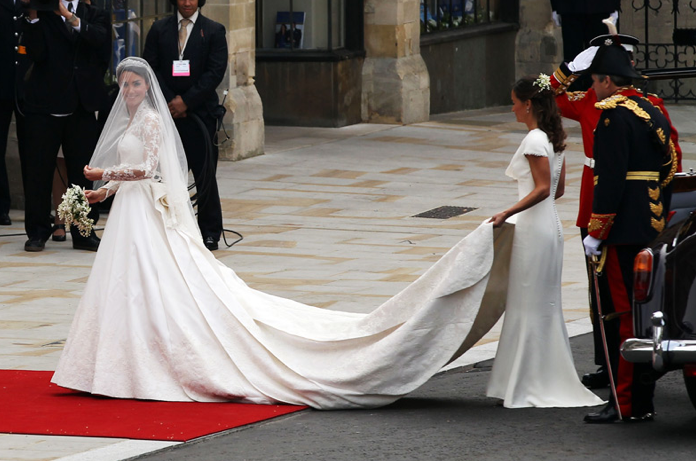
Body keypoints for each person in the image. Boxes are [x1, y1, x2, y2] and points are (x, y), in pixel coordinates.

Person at [51, 58, 603, 411]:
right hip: (131, 217)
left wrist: (104, 175)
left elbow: (151, 170)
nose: (126, 91)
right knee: (125, 287)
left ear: (144, 89)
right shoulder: (551, 140)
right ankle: (112, 358)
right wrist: (101, 195)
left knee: (153, 285)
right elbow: (553, 191)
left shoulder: (150, 123)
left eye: (132, 83)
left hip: (149, 218)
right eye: (121, 83)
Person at [550, 33, 683, 391]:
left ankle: (628, 373)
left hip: (622, 206)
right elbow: (548, 97)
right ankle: (607, 363)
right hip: (593, 201)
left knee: (626, 296)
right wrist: (568, 69)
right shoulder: (590, 99)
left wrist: (657, 202)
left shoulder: (649, 103)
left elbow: (671, 155)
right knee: (600, 297)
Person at [485, 75, 604, 408]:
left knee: (527, 303)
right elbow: (558, 190)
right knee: (541, 304)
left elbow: (540, 189)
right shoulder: (554, 138)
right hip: (548, 227)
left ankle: (525, 381)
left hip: (533, 230)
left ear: (528, 105)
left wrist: (506, 212)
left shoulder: (536, 139)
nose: (511, 109)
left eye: (514, 102)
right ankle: (533, 377)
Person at [582, 41, 676, 423]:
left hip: (622, 230)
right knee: (647, 313)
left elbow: (610, 181)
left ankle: (626, 402)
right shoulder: (650, 109)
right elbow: (669, 167)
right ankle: (641, 399)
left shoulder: (611, 116)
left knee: (624, 316)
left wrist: (597, 230)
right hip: (650, 223)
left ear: (606, 81)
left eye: (595, 82)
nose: (594, 89)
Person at [20, 0, 110, 252]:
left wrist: (68, 15)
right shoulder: (41, 13)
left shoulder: (96, 14)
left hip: (81, 105)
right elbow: (35, 54)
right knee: (38, 171)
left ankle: (82, 232)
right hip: (43, 105)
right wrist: (35, 15)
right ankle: (37, 232)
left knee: (81, 173)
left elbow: (101, 46)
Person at [143, 0, 226, 251]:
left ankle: (210, 231)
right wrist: (169, 101)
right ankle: (168, 227)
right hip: (167, 113)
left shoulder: (213, 30)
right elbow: (150, 67)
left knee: (204, 174)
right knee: (167, 174)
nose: (187, 2)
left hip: (200, 114)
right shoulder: (159, 29)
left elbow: (214, 72)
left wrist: (187, 102)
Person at [0, 0, 28, 226]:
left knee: (34, 153)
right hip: (1, 87)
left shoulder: (33, 7)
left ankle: (36, 208)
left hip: (29, 89)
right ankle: (1, 206)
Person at [550, 0, 620, 90]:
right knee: (572, 55)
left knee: (597, 54)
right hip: (570, 7)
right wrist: (556, 7)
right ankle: (574, 94)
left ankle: (595, 91)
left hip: (600, 7)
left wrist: (614, 5)